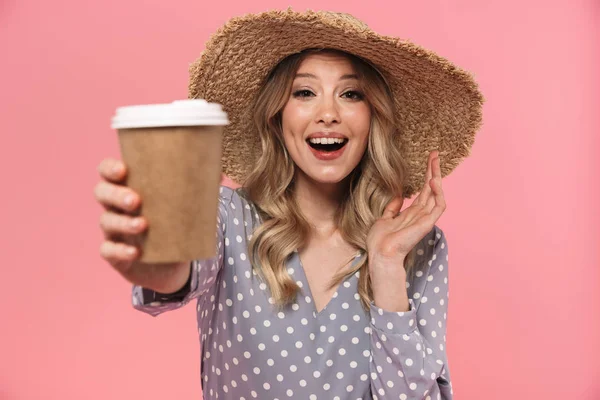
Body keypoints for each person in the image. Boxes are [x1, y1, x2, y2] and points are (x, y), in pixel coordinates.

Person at [94, 9, 483, 400]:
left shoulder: (418, 247)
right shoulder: (229, 218)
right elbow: (176, 270)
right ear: (277, 116)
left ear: (373, 118)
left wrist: (386, 266)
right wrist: (154, 260)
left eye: (350, 94)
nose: (328, 114)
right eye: (304, 92)